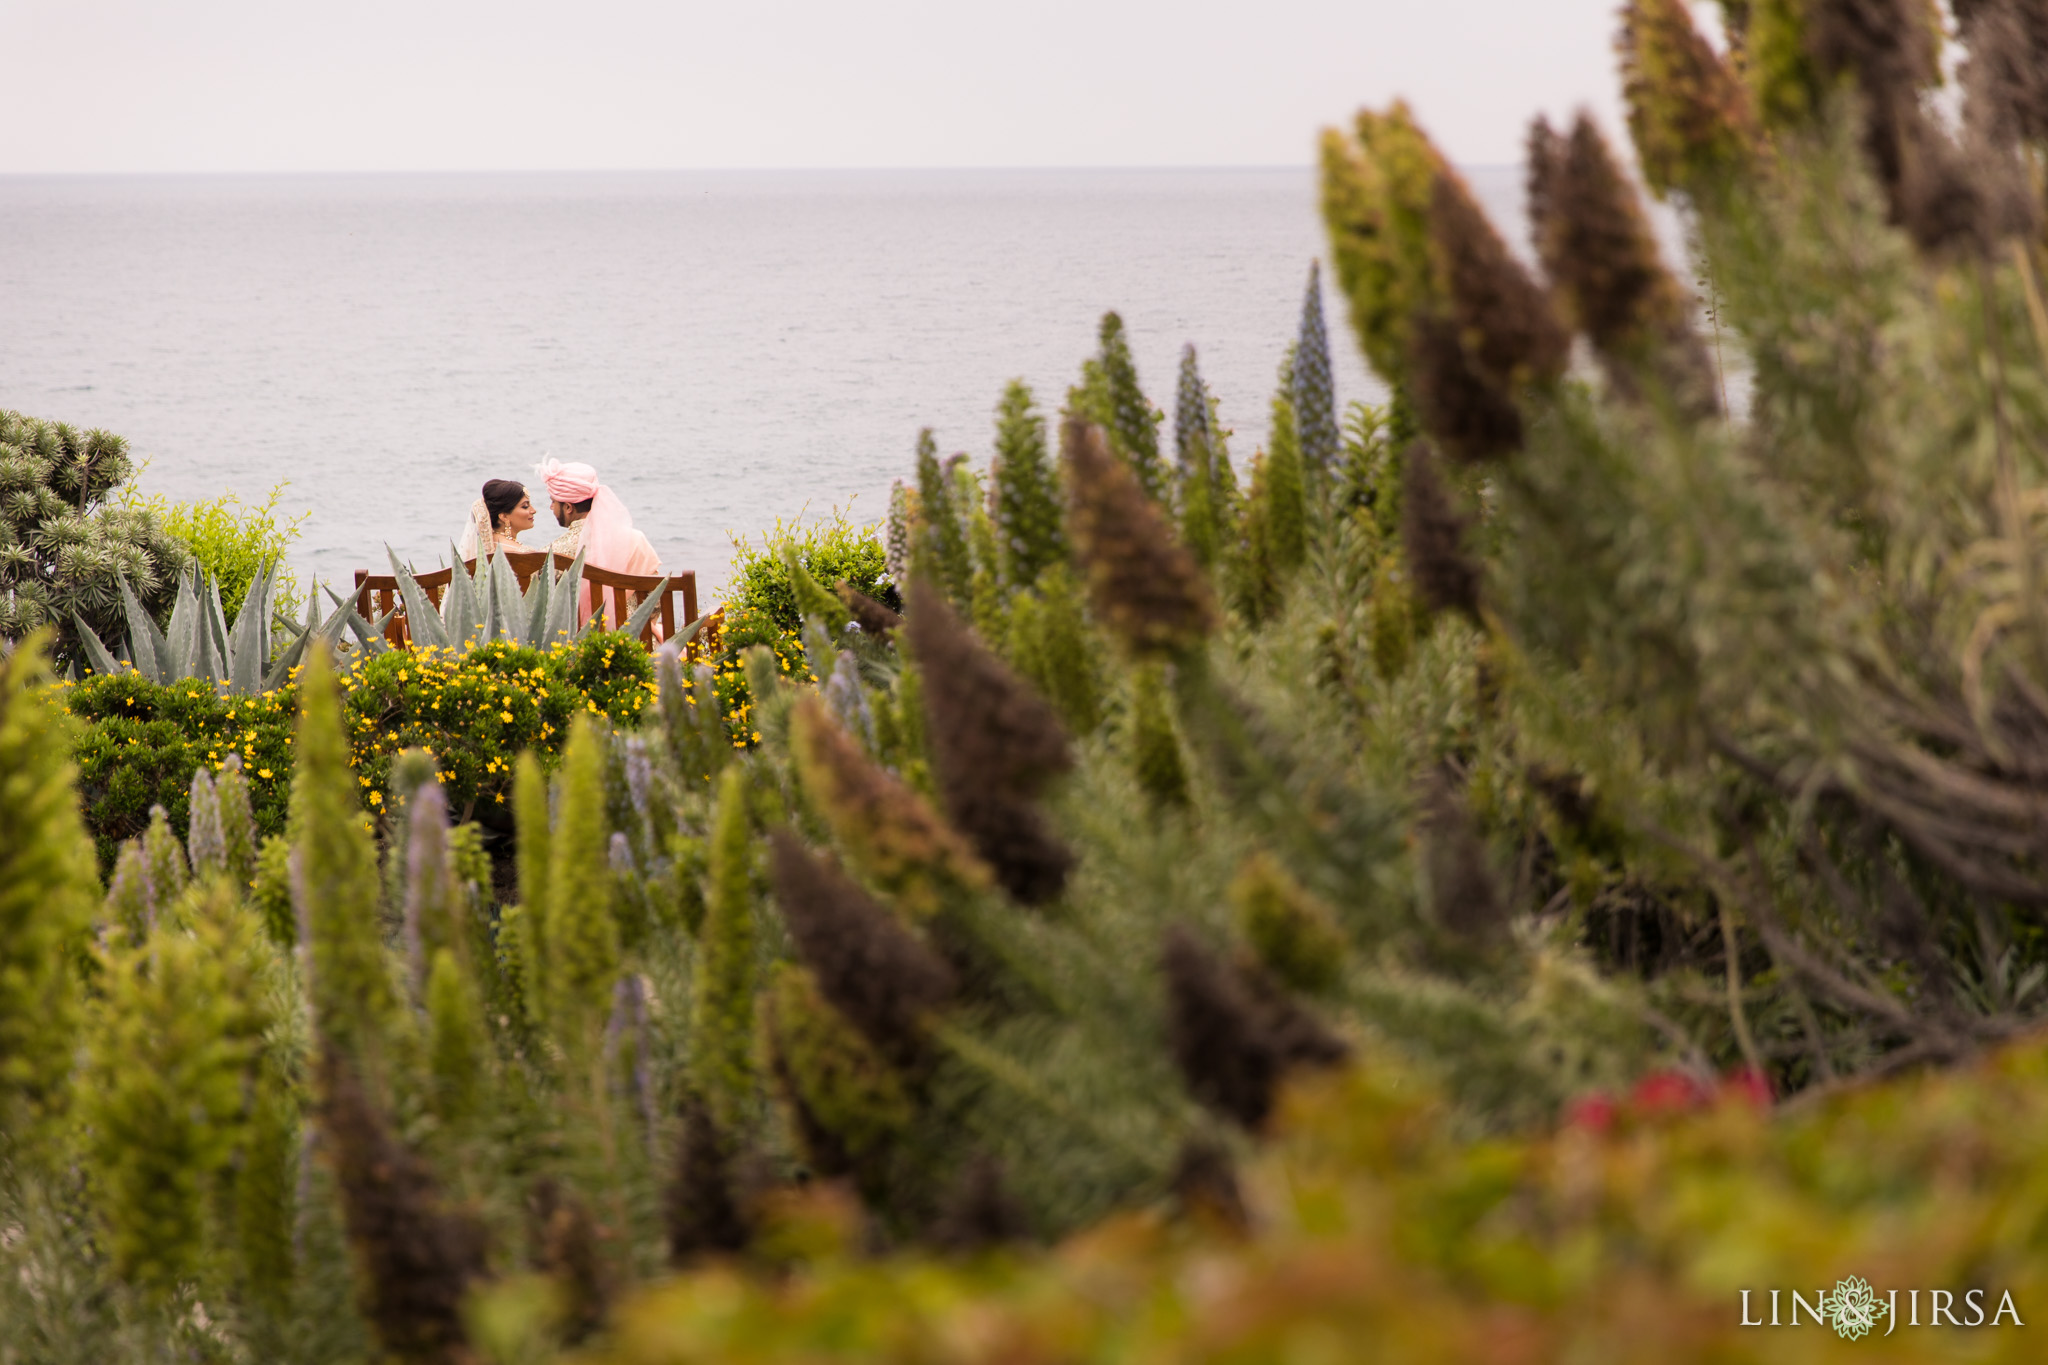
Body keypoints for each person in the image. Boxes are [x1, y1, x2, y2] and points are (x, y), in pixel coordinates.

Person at [534, 457, 661, 576]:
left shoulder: (553, 555)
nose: (551, 507)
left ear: (568, 507)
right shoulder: (637, 540)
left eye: (553, 501)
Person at [457, 478, 537, 560]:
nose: (533, 511)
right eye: (525, 506)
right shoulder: (521, 554)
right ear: (504, 516)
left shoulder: (482, 548)